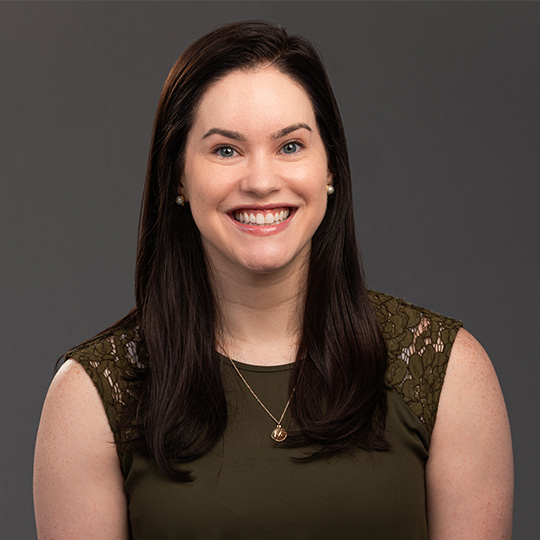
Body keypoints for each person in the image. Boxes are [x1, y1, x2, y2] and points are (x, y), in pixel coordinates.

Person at [33, 20, 513, 539]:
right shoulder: (91, 398)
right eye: (225, 150)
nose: (261, 182)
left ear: (330, 167)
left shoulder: (448, 373)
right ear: (178, 176)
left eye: (289, 146)